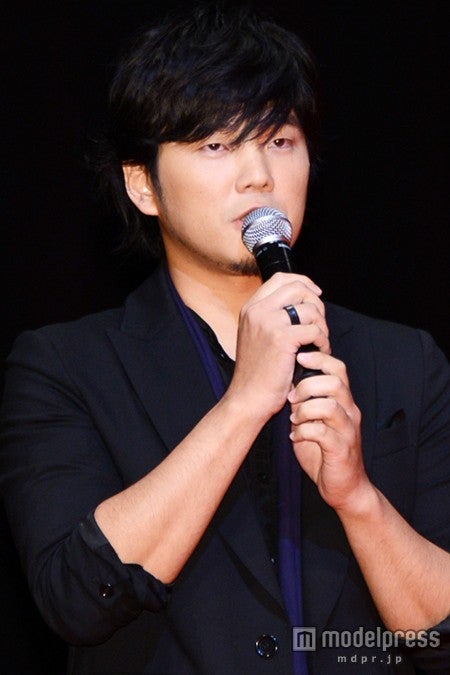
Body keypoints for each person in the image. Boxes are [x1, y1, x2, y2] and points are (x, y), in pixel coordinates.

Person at [1, 4, 449, 674]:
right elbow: (77, 598)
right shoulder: (65, 366)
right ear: (143, 184)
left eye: (280, 140)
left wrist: (359, 498)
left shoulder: (405, 360)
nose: (258, 175)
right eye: (215, 146)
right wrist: (242, 406)